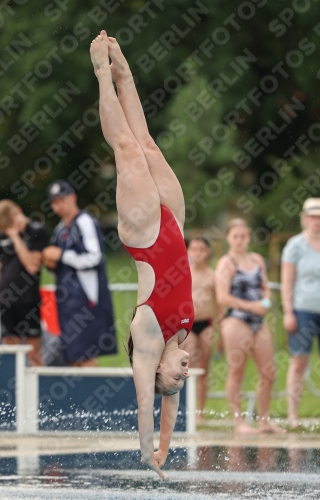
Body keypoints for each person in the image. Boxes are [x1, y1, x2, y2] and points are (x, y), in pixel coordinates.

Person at [89, 31, 194, 479]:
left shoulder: (148, 346)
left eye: (174, 378)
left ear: (156, 371)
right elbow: (171, 407)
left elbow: (147, 405)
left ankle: (100, 73)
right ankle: (125, 74)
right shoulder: (183, 338)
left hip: (146, 237)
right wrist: (167, 451)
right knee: (148, 144)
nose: (182, 376)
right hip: (176, 224)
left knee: (128, 149)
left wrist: (146, 453)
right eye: (181, 380)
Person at [215, 218, 284, 434]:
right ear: (228, 238)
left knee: (269, 372)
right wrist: (250, 306)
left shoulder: (256, 260)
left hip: (258, 321)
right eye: (235, 236)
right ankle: (239, 422)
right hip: (236, 320)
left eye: (243, 236)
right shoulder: (226, 264)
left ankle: (264, 419)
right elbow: (222, 297)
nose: (239, 240)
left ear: (248, 237)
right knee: (237, 371)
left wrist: (264, 302)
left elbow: (266, 287)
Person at [42, 180, 117, 367]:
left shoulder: (85, 222)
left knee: (86, 353)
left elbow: (95, 257)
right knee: (72, 354)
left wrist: (62, 255)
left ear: (72, 197)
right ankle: (79, 395)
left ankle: (93, 393)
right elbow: (59, 263)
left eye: (62, 199)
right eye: (54, 202)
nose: (59, 205)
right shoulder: (59, 229)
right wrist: (48, 260)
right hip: (66, 301)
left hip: (86, 298)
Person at [281, 197, 320, 428]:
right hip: (303, 311)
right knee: (299, 361)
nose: (317, 220)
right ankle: (293, 416)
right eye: (313, 216)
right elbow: (287, 282)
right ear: (305, 219)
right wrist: (288, 311)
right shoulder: (295, 245)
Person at [0, 200, 49, 366]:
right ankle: (12, 392)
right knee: (10, 357)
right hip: (6, 302)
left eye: (17, 222)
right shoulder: (3, 233)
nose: (15, 227)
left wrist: (15, 237)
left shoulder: (37, 231)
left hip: (29, 302)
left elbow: (32, 266)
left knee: (34, 355)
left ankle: (41, 391)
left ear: (19, 211)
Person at [184, 237, 217, 423]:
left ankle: (200, 412)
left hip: (206, 323)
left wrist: (219, 329)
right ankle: (186, 408)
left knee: (204, 367)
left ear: (207, 253)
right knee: (188, 363)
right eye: (194, 249)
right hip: (189, 324)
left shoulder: (212, 275)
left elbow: (218, 304)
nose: (197, 253)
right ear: (188, 251)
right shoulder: (184, 273)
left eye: (201, 249)